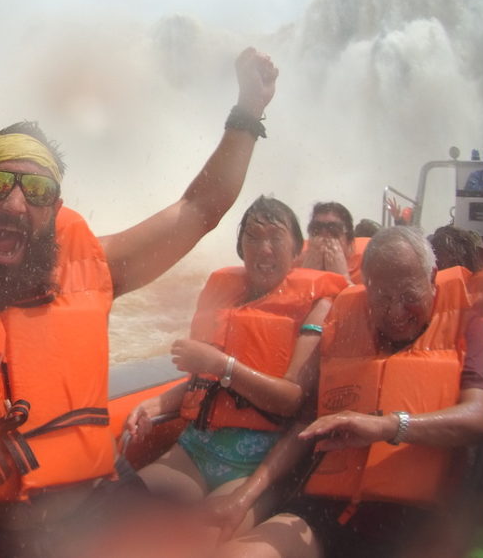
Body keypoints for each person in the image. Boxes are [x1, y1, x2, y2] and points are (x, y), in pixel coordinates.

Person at [0, 47, 278, 555]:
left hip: (101, 502)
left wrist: (248, 109)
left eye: (35, 189)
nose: (14, 202)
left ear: (55, 207)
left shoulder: (94, 271)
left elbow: (198, 208)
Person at [213, 227, 483, 558]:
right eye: (383, 298)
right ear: (366, 288)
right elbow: (306, 425)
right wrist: (246, 495)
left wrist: (387, 426)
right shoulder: (344, 322)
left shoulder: (467, 327)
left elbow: (479, 417)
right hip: (326, 508)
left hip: (416, 523)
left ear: (432, 277)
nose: (395, 312)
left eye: (408, 295)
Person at [125, 197, 346, 518]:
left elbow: (291, 401)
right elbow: (205, 385)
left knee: (204, 537)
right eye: (253, 238)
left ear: (298, 249)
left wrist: (222, 365)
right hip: (196, 448)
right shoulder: (225, 293)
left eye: (275, 237)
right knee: (122, 506)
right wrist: (155, 404)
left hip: (255, 463)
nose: (264, 248)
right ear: (241, 248)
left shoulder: (318, 305)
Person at [297, 201, 367, 284]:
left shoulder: (365, 267)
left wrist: (344, 279)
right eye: (316, 229)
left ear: (349, 242)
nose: (324, 237)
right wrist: (305, 275)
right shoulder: (293, 261)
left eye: (333, 229)